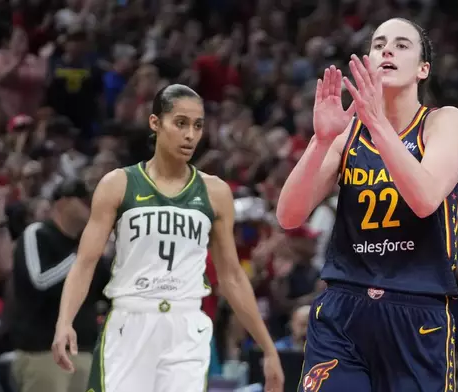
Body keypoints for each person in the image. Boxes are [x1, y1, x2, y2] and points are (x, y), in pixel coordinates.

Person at [51, 84, 284, 392]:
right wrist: (64, 320)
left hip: (186, 326)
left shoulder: (215, 193)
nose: (190, 134)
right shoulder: (119, 184)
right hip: (131, 321)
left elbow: (231, 277)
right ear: (155, 123)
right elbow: (85, 262)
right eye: (181, 123)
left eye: (198, 126)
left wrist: (267, 348)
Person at [277, 17, 458, 392]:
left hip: (416, 312)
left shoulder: (443, 122)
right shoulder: (347, 133)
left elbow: (426, 199)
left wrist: (377, 123)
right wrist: (320, 141)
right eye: (379, 44)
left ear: (423, 69)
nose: (387, 50)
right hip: (344, 308)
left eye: (401, 45)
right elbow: (288, 215)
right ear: (367, 62)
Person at [7, 179, 107, 392]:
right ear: (62, 202)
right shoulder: (38, 234)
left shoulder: (86, 246)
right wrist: (81, 256)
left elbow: (109, 291)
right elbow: (40, 282)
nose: (90, 204)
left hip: (85, 352)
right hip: (44, 353)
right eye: (83, 199)